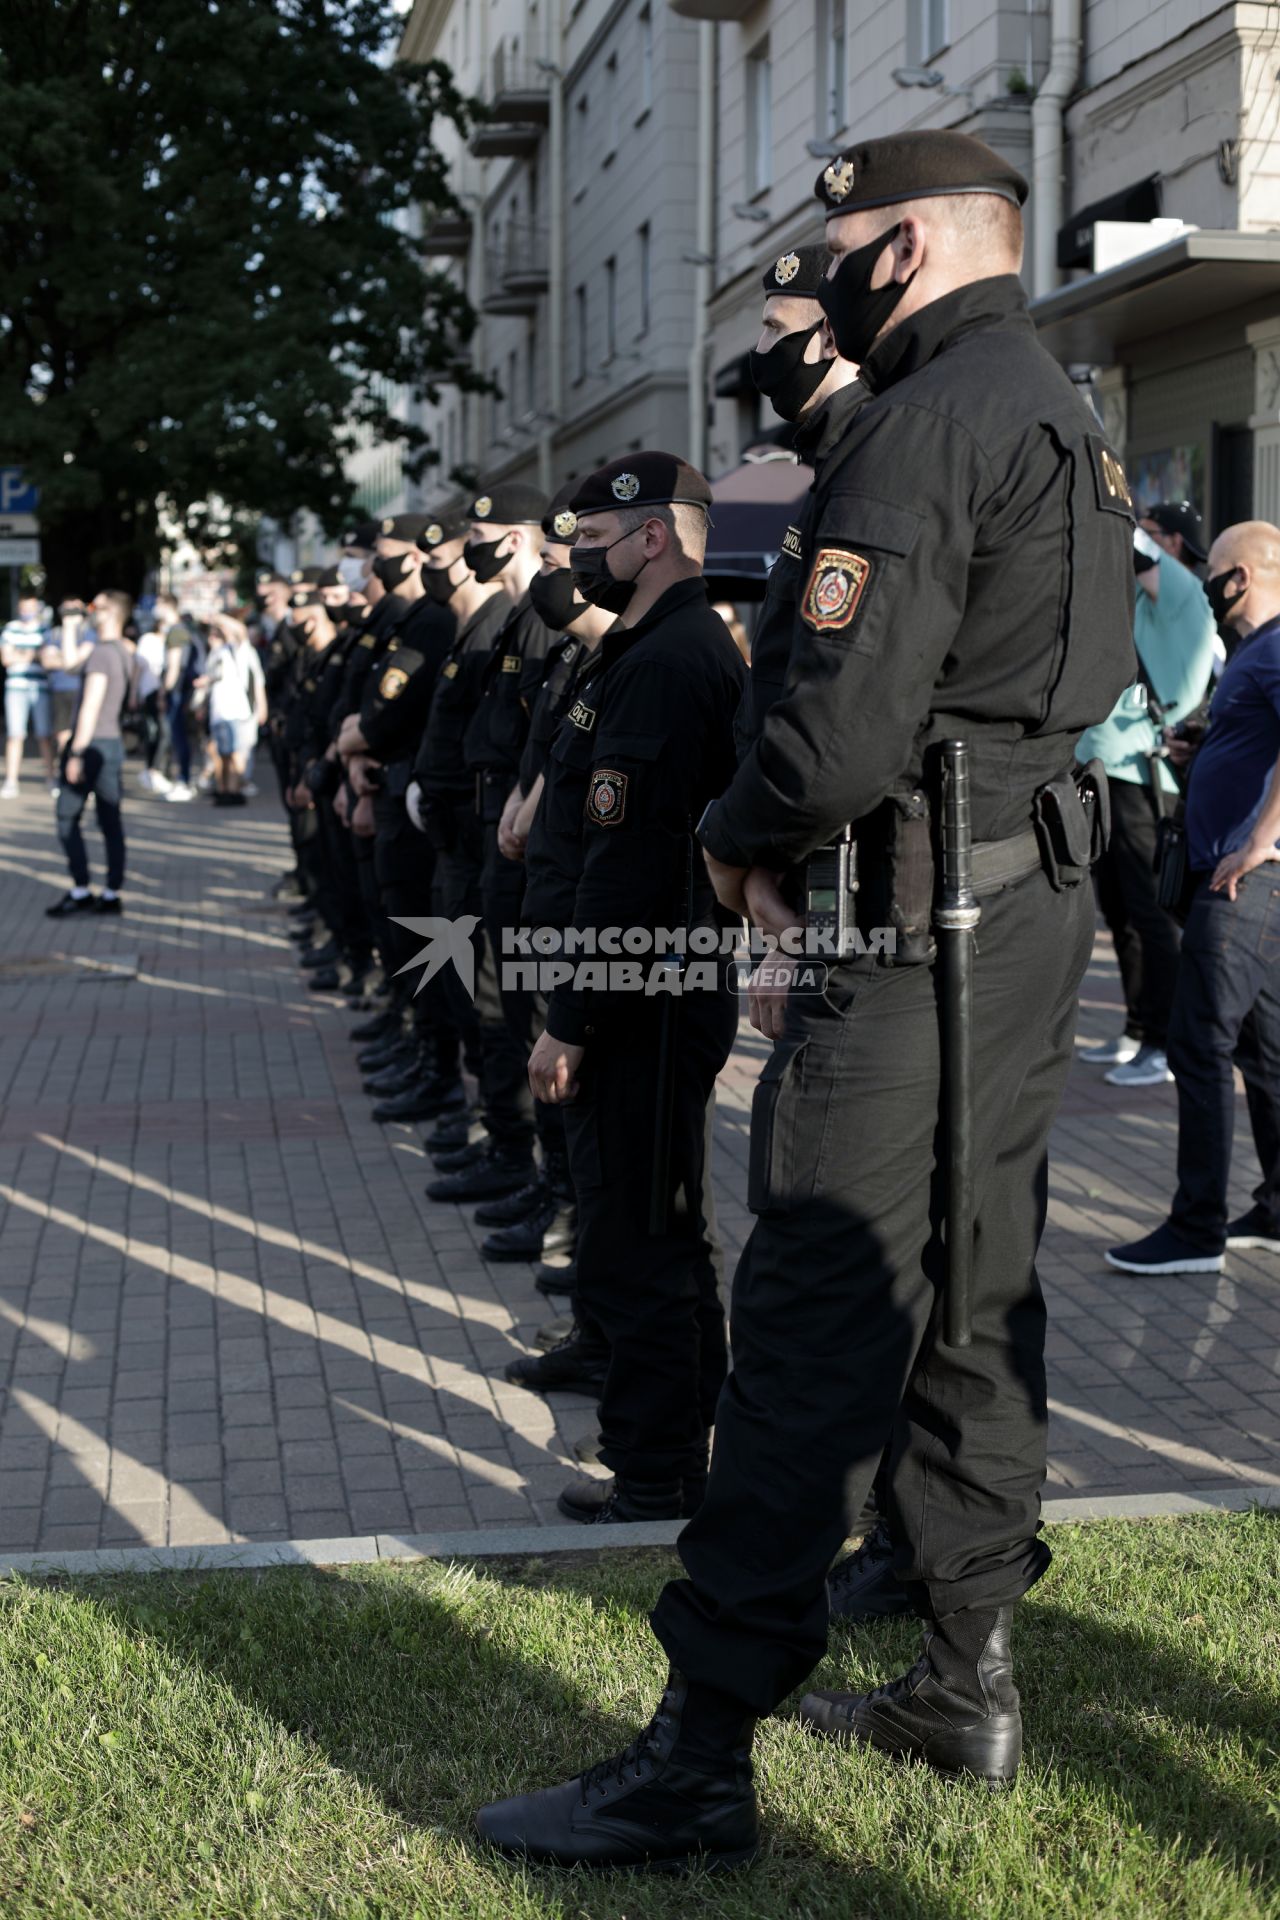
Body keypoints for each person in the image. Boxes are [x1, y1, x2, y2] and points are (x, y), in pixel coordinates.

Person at [475, 129, 1135, 1868]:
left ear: (904, 253)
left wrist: (733, 846)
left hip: (919, 926)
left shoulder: (915, 424)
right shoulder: (1056, 401)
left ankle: (699, 1750)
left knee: (817, 1317)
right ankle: (962, 1669)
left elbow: (833, 726)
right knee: (974, 1292)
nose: (820, 280)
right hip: (1023, 901)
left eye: (836, 246)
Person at [513, 451, 744, 1531]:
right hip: (634, 985)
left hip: (638, 992)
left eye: (594, 544)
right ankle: (687, 1447)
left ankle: (655, 1472)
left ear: (653, 537)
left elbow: (631, 867)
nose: (578, 564)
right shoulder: (646, 649)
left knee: (638, 1241)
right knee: (655, 1229)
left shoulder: (666, 658)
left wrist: (568, 1019)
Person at [1106, 520, 1280, 1275]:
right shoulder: (1254, 652)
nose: (1205, 581)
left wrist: (1262, 839)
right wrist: (1203, 749)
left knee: (1198, 1042)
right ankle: (1275, 1210)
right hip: (1246, 877)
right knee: (1263, 1053)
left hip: (1242, 881)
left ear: (1241, 576)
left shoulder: (1274, 644)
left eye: (1214, 569)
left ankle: (1196, 1227)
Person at [1078, 502, 1217, 1087]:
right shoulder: (1140, 603)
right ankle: (1138, 1028)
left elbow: (1132, 547)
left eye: (1158, 536)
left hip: (1138, 778)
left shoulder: (1182, 590)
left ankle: (1165, 1045)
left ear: (1176, 546)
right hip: (1107, 771)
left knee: (1153, 917)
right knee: (1122, 913)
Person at [47, 590, 134, 918]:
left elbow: (90, 706)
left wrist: (76, 752)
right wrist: (70, 626)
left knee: (67, 816)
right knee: (110, 821)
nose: (89, 610)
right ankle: (110, 892)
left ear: (109, 612)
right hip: (110, 743)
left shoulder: (101, 654)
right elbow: (69, 666)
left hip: (92, 744)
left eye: (95, 606)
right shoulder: (120, 651)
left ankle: (82, 888)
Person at [198, 614, 267, 804]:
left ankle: (235, 790)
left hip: (237, 712)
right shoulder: (218, 653)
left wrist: (217, 617)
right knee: (221, 753)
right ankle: (223, 790)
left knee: (237, 753)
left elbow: (240, 631)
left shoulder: (242, 650)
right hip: (218, 712)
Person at [1, 592, 56, 796]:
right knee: (15, 735)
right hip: (15, 688)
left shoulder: (45, 630)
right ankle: (11, 780)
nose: (27, 613)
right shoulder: (11, 629)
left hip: (39, 688)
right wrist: (32, 654)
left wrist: (20, 654)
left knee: (44, 735)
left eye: (31, 609)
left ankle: (50, 777)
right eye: (24, 608)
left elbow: (47, 658)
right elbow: (6, 659)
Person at [131, 606, 170, 793]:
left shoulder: (170, 643)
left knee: (163, 733)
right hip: (149, 692)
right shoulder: (148, 640)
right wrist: (134, 693)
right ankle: (151, 770)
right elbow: (138, 668)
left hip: (162, 692)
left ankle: (157, 770)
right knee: (154, 732)